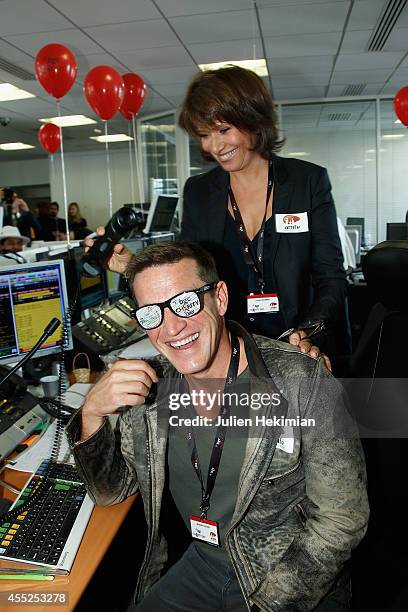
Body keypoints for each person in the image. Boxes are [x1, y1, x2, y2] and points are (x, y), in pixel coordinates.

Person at [66, 241, 368, 611]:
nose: (172, 327)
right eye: (152, 314)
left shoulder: (301, 381)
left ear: (220, 298)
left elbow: (342, 520)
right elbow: (112, 490)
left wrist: (271, 604)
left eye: (186, 303)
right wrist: (91, 413)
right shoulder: (151, 393)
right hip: (205, 566)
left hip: (288, 582)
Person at [177, 66, 348, 370]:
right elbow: (187, 276)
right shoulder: (199, 192)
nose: (215, 146)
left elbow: (330, 276)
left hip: (303, 349)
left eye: (224, 130)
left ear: (253, 121)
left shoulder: (307, 182)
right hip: (232, 354)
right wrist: (131, 268)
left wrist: (309, 331)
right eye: (204, 135)